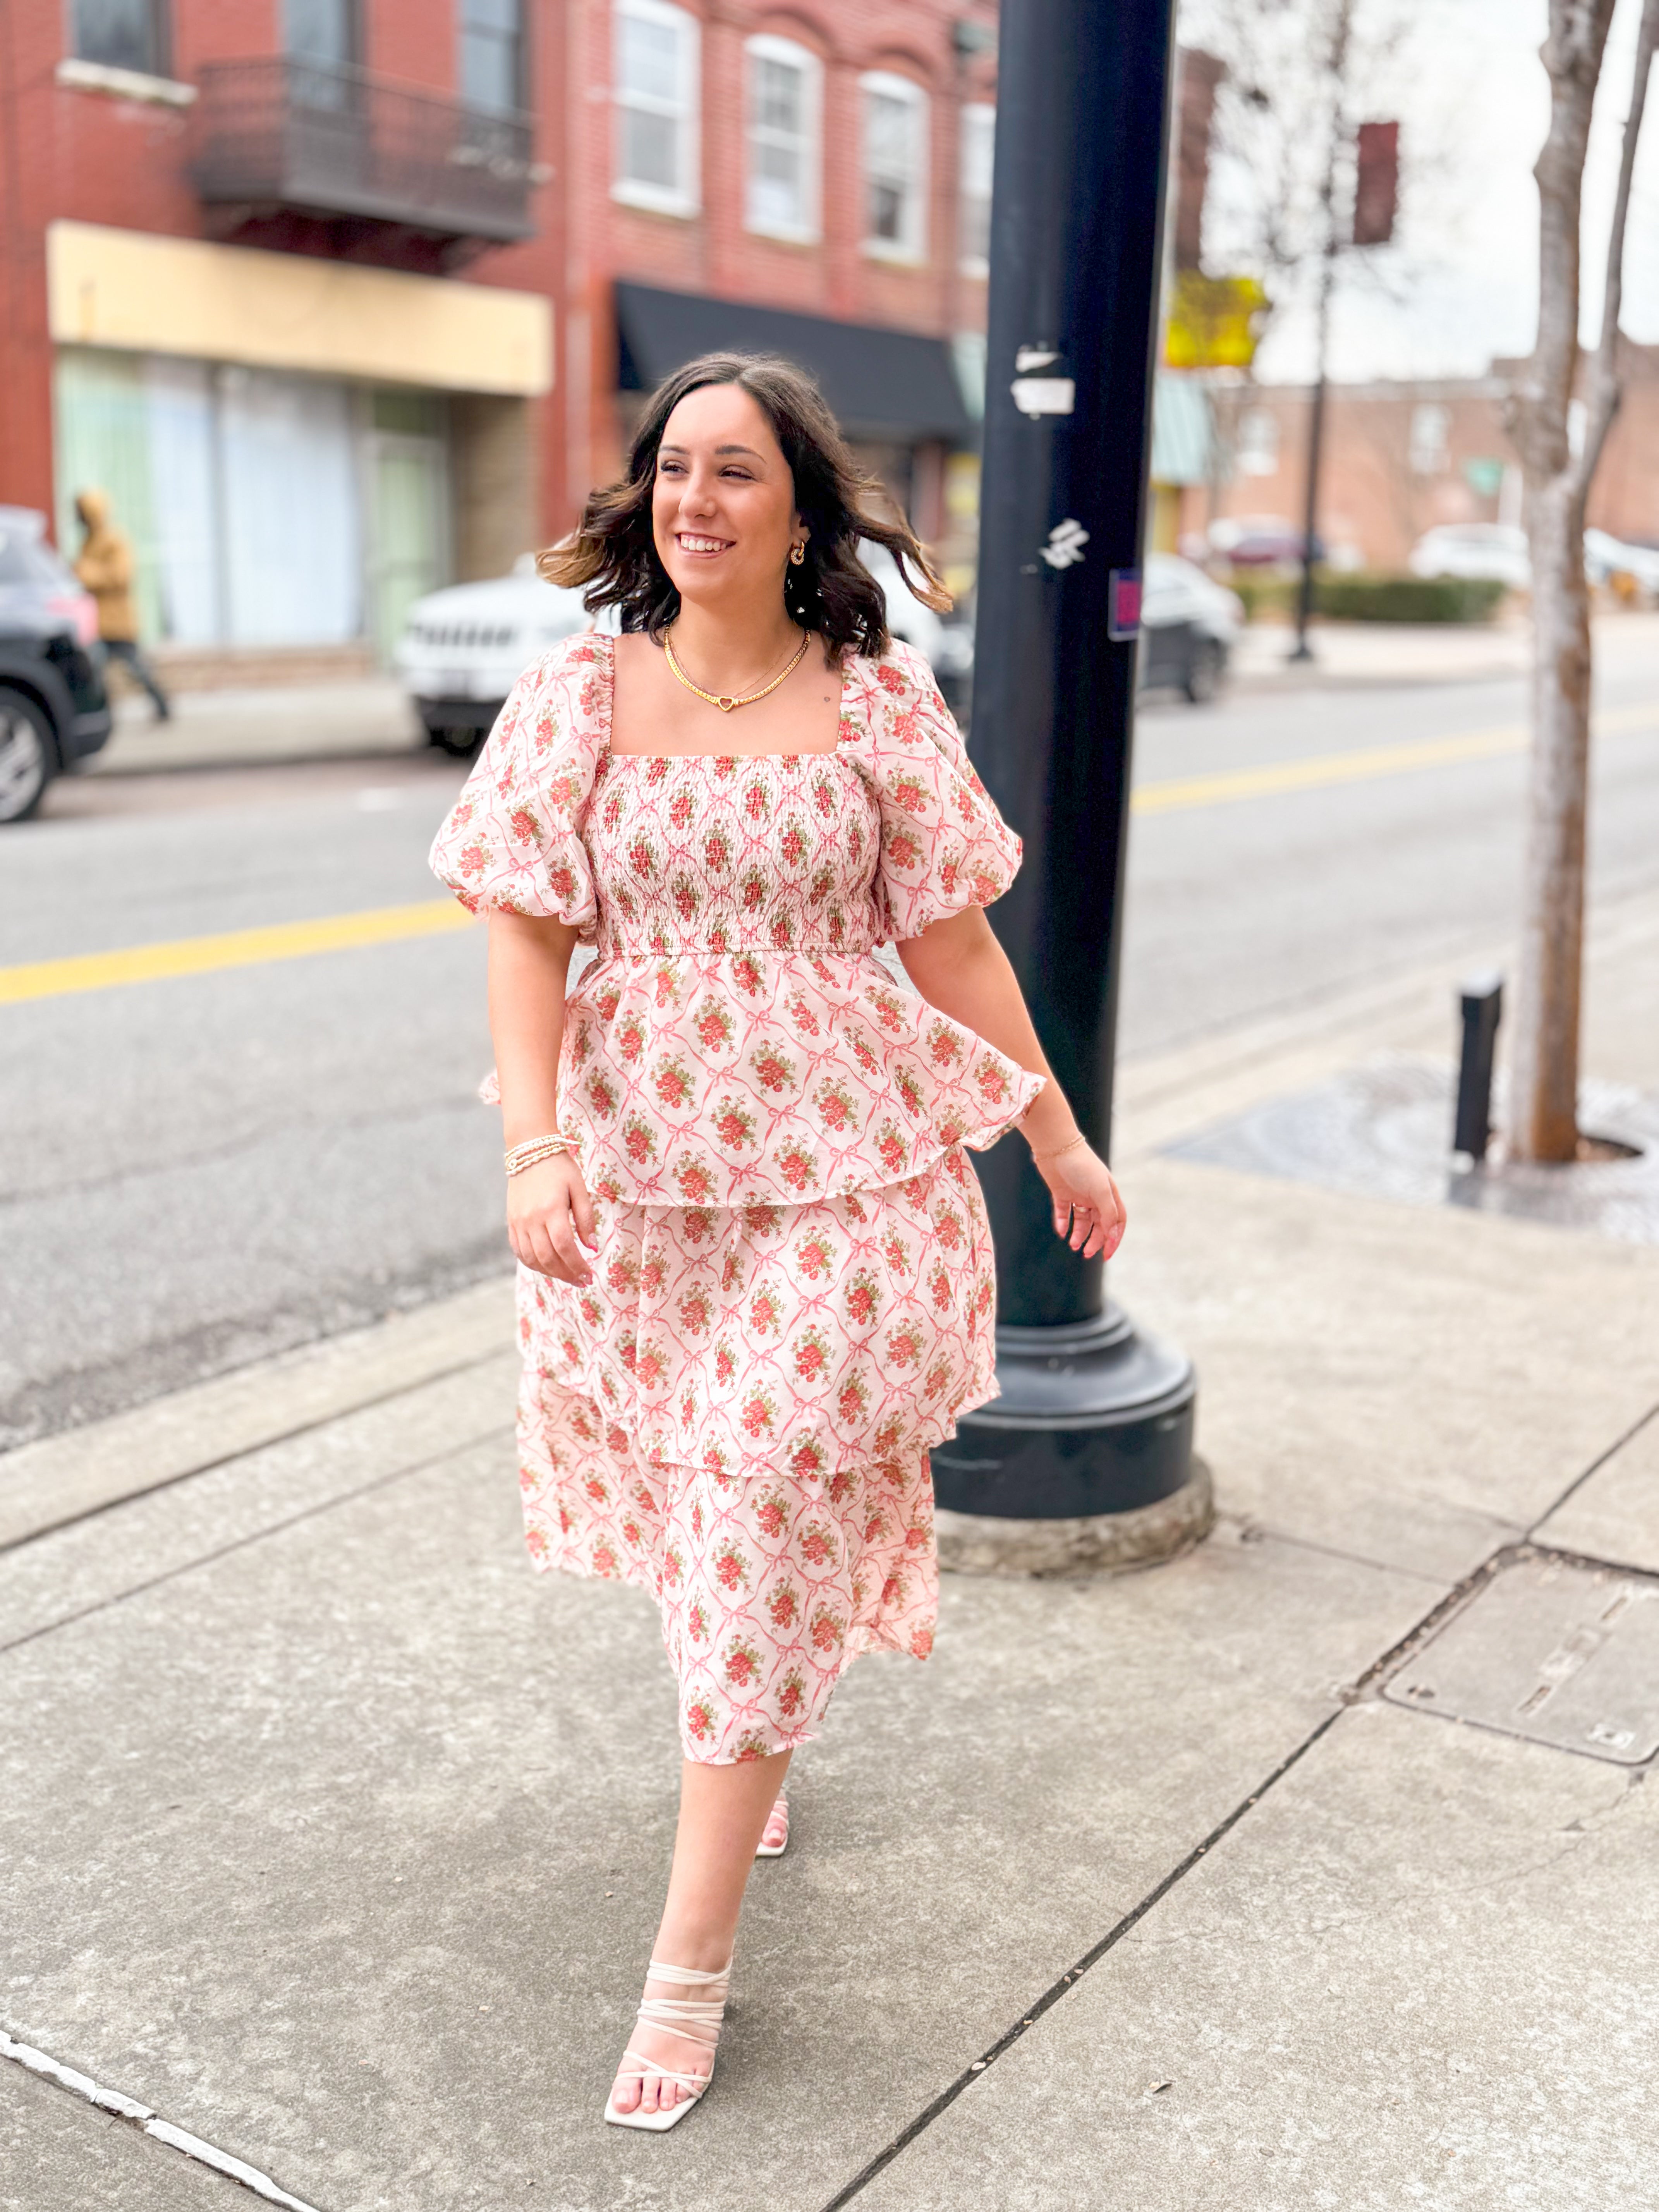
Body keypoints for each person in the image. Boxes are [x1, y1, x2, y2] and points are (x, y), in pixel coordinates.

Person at [428, 352, 1126, 2133]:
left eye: (736, 472)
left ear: (802, 509)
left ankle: (688, 1964)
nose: (696, 501)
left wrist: (1051, 1126)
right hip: (644, 1193)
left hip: (850, 1180)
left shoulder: (877, 705)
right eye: (674, 470)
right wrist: (534, 1147)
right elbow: (519, 935)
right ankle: (760, 1727)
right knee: (698, 1516)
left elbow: (954, 950)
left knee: (750, 1507)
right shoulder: (579, 694)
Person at [72, 489, 171, 721]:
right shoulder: (89, 542)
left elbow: (121, 575)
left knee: (136, 669)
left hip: (118, 622)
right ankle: (100, 715)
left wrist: (85, 573)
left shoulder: (114, 540)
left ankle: (162, 705)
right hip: (97, 622)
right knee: (93, 670)